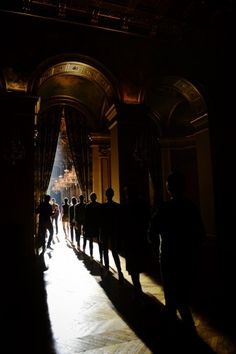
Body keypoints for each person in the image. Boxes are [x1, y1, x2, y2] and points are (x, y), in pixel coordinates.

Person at [148, 171, 206, 332]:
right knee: (184, 292)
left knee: (170, 293)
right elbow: (200, 233)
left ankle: (173, 327)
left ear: (169, 189)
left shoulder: (164, 208)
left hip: (167, 256)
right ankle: (187, 325)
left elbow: (151, 231)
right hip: (186, 256)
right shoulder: (191, 208)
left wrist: (155, 250)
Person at [121, 184, 150, 296]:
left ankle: (137, 286)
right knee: (139, 262)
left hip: (130, 240)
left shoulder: (125, 207)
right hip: (141, 239)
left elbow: (122, 226)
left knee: (132, 266)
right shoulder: (142, 206)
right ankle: (137, 286)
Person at [100, 187, 124, 282]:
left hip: (105, 230)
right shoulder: (118, 206)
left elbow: (101, 221)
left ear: (106, 195)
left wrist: (100, 233)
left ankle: (107, 269)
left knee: (105, 251)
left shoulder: (103, 207)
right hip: (114, 231)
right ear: (113, 195)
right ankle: (119, 270)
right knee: (115, 252)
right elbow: (120, 221)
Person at [84, 192, 102, 262]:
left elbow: (86, 218)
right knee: (99, 242)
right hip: (98, 226)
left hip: (90, 226)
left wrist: (85, 227)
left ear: (90, 198)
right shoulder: (99, 205)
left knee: (90, 241)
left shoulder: (87, 206)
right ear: (96, 197)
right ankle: (101, 257)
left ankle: (91, 255)